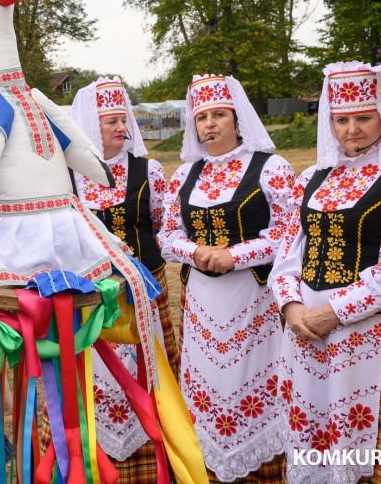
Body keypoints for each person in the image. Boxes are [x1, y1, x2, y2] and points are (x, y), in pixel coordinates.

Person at [268, 61, 381, 483]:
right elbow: (288, 253)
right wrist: (292, 307)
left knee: (371, 446)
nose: (352, 129)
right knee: (316, 433)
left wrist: (332, 312)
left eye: (363, 118)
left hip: (370, 332)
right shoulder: (311, 178)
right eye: (342, 119)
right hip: (306, 335)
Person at [158, 74, 294, 482]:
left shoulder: (270, 167)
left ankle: (265, 467)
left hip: (254, 297)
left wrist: (235, 255)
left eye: (219, 115)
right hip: (201, 298)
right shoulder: (184, 175)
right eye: (202, 118)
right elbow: (166, 236)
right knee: (208, 381)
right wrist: (198, 252)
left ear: (238, 120)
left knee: (255, 377)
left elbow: (290, 234)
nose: (210, 124)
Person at [69, 77, 180, 481]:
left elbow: (165, 227)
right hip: (92, 297)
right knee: (101, 374)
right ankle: (101, 459)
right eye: (111, 121)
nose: (122, 128)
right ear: (88, 125)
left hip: (145, 289)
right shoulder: (70, 177)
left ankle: (156, 458)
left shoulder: (147, 169)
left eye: (124, 120)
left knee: (149, 372)